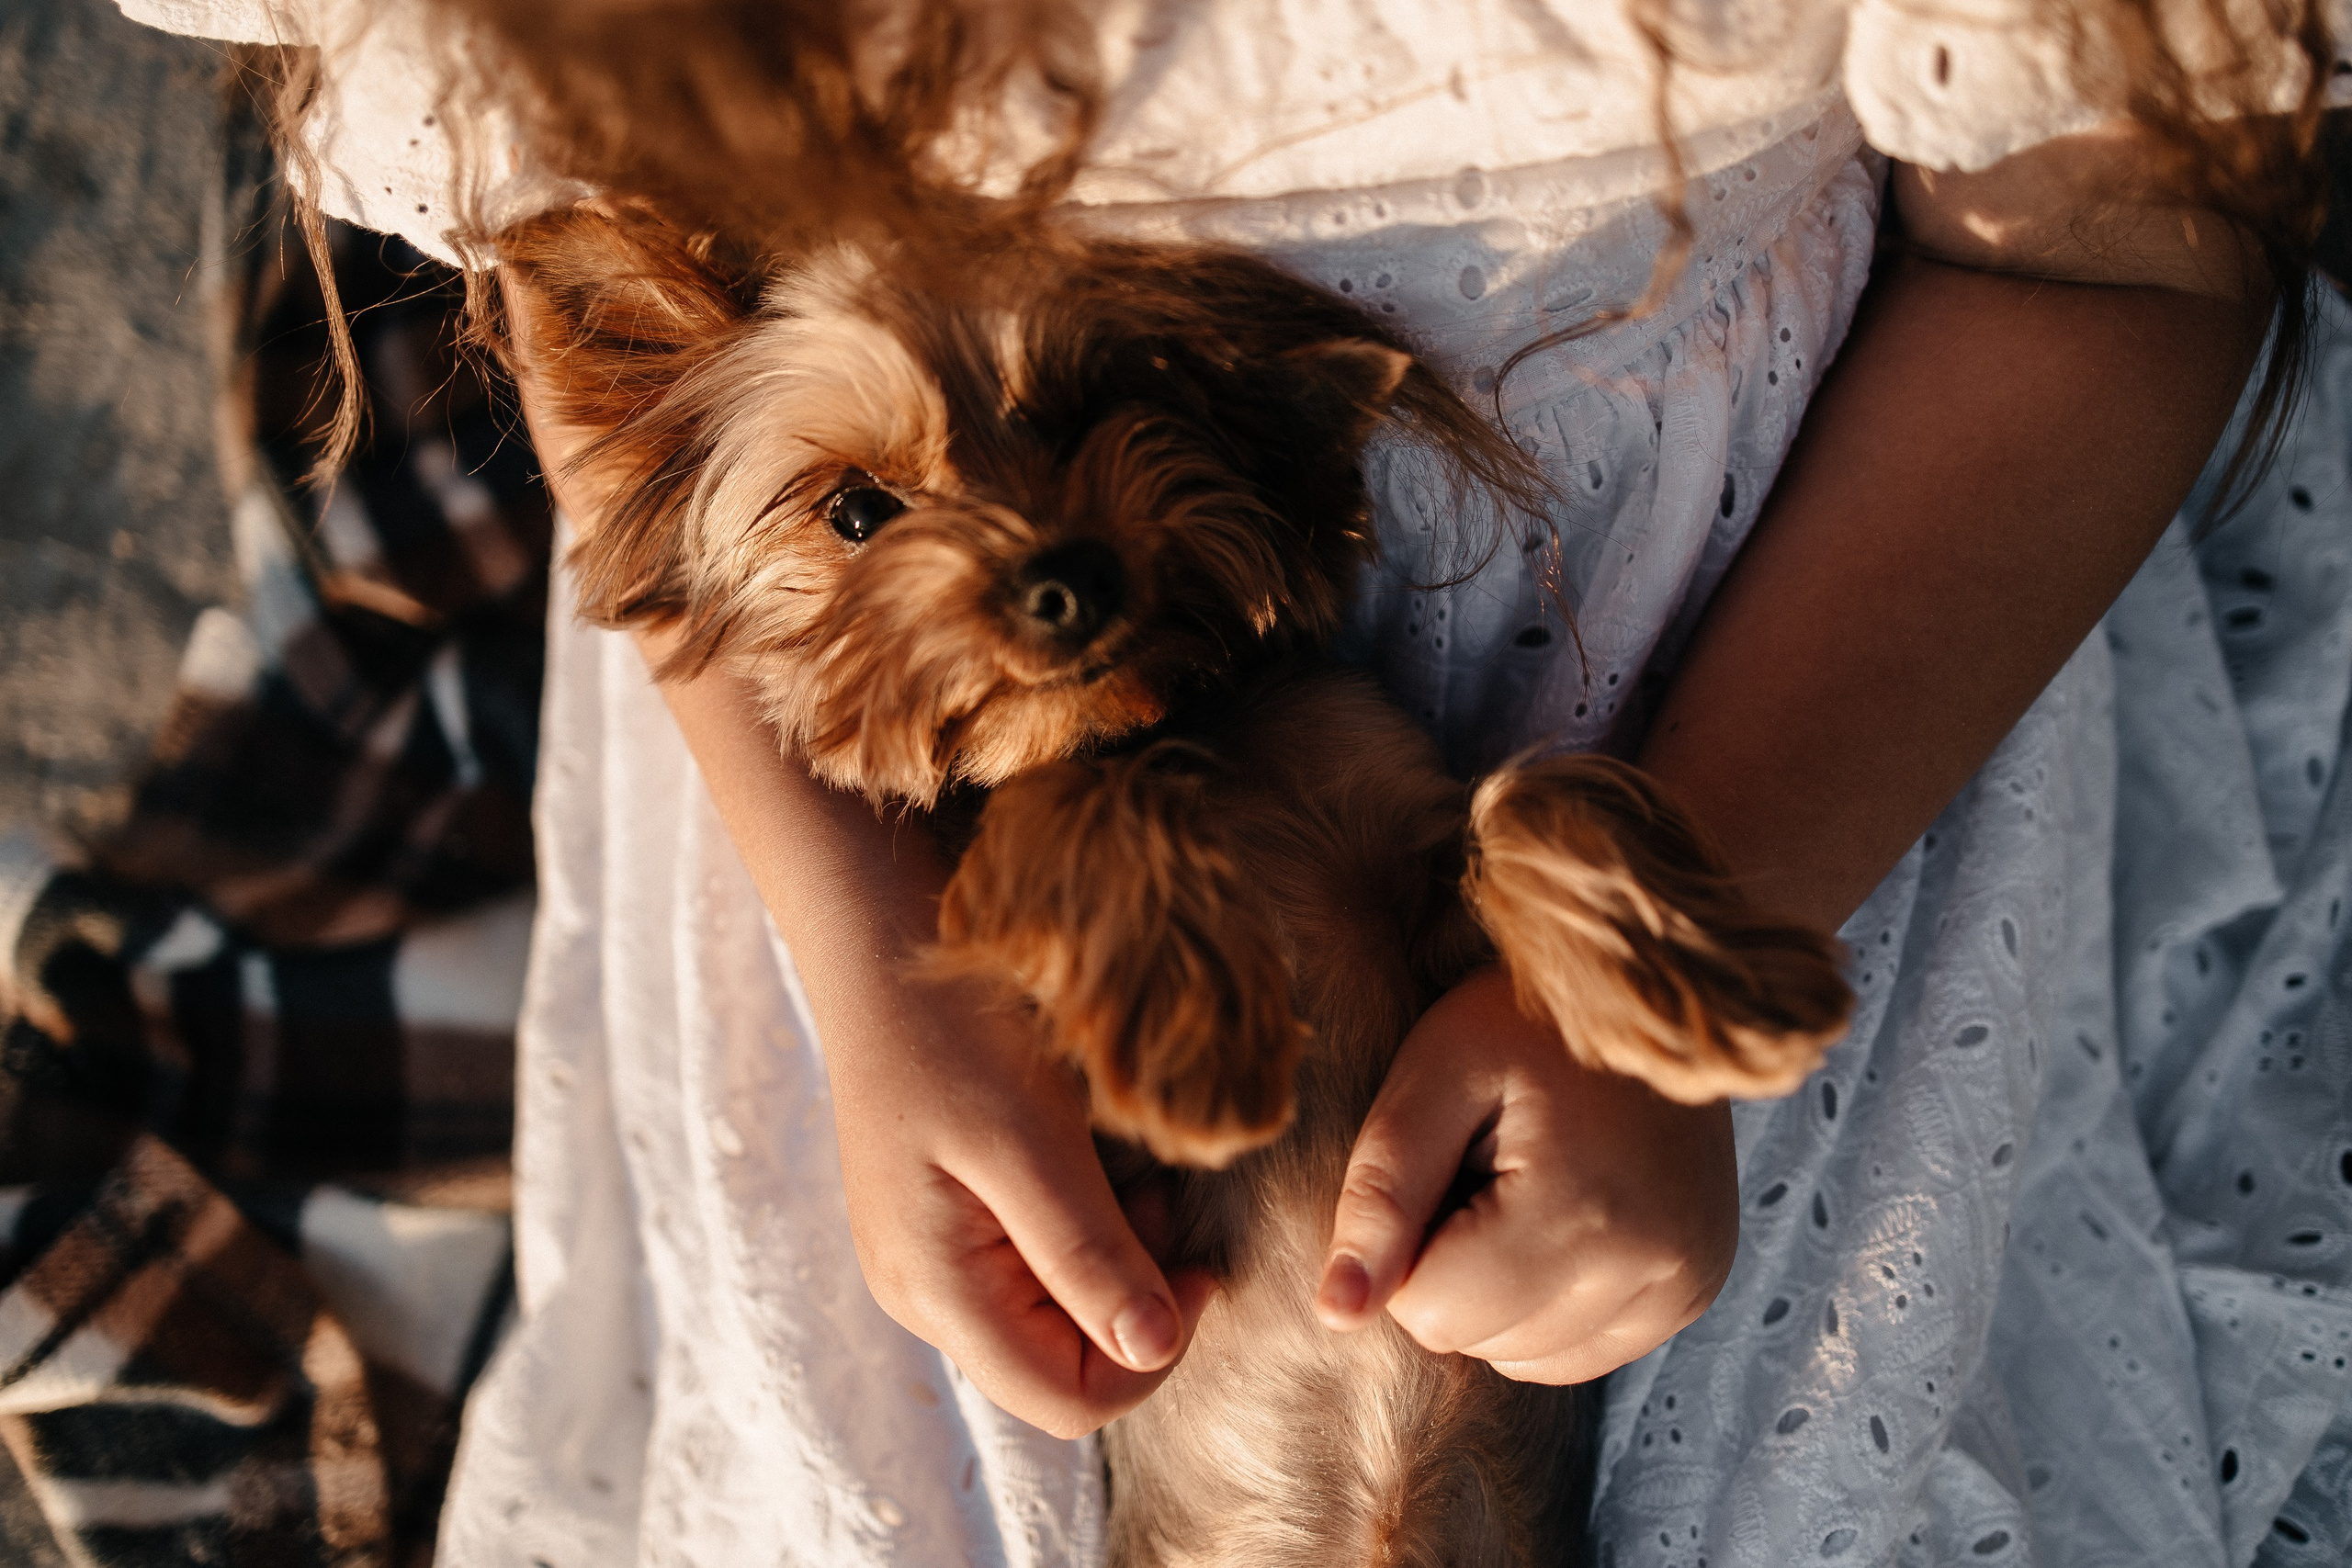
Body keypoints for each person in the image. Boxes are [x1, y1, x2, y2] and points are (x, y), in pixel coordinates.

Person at [116, 0, 2352, 1562]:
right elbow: (602, 323)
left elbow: (2110, 251)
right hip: (895, 897)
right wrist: (874, 947)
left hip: (1824, 641)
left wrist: (1700, 893)